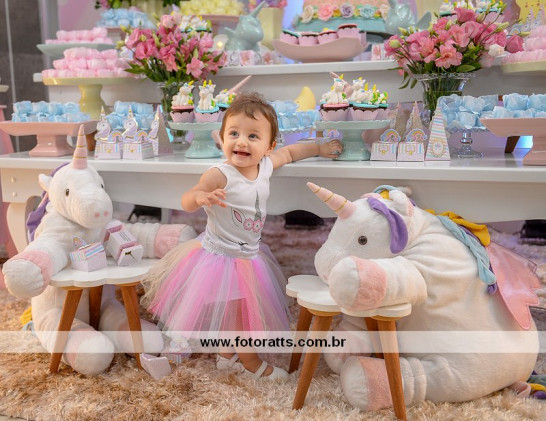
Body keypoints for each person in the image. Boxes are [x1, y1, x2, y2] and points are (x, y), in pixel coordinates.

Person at [142, 92, 342, 380]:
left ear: (269, 146)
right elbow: (188, 197)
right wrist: (201, 197)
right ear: (222, 138)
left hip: (248, 256)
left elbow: (290, 152)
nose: (241, 142)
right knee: (239, 316)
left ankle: (226, 356)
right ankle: (250, 362)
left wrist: (319, 148)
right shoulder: (220, 174)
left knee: (236, 312)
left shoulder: (265, 166)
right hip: (220, 258)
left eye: (253, 136)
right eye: (233, 133)